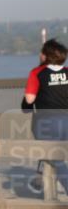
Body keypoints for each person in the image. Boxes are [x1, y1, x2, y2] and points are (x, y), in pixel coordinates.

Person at [23, 38, 68, 196]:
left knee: (53, 156)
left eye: (42, 52)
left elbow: (29, 99)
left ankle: (50, 187)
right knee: (57, 154)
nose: (40, 55)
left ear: (46, 56)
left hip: (46, 122)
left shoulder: (37, 73)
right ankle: (45, 183)